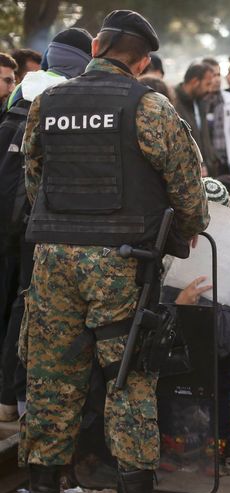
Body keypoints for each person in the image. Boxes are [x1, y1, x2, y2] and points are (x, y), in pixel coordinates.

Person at [20, 9, 210, 493]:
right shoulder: (148, 106)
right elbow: (187, 186)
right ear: (143, 60)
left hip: (53, 258)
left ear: (97, 44)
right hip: (120, 260)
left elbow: (34, 180)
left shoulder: (46, 103)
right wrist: (189, 228)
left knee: (51, 374)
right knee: (128, 375)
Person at [0, 27, 93, 424]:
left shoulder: (18, 93)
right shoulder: (68, 98)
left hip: (5, 215)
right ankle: (10, 397)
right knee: (25, 306)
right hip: (34, 223)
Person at [202, 57, 230, 178]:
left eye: (218, 74)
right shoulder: (197, 101)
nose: (216, 79)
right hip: (204, 165)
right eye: (212, 75)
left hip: (225, 164)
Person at [174, 62, 216, 176]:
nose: (210, 90)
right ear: (194, 82)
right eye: (207, 84)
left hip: (206, 171)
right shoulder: (173, 103)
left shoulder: (202, 101)